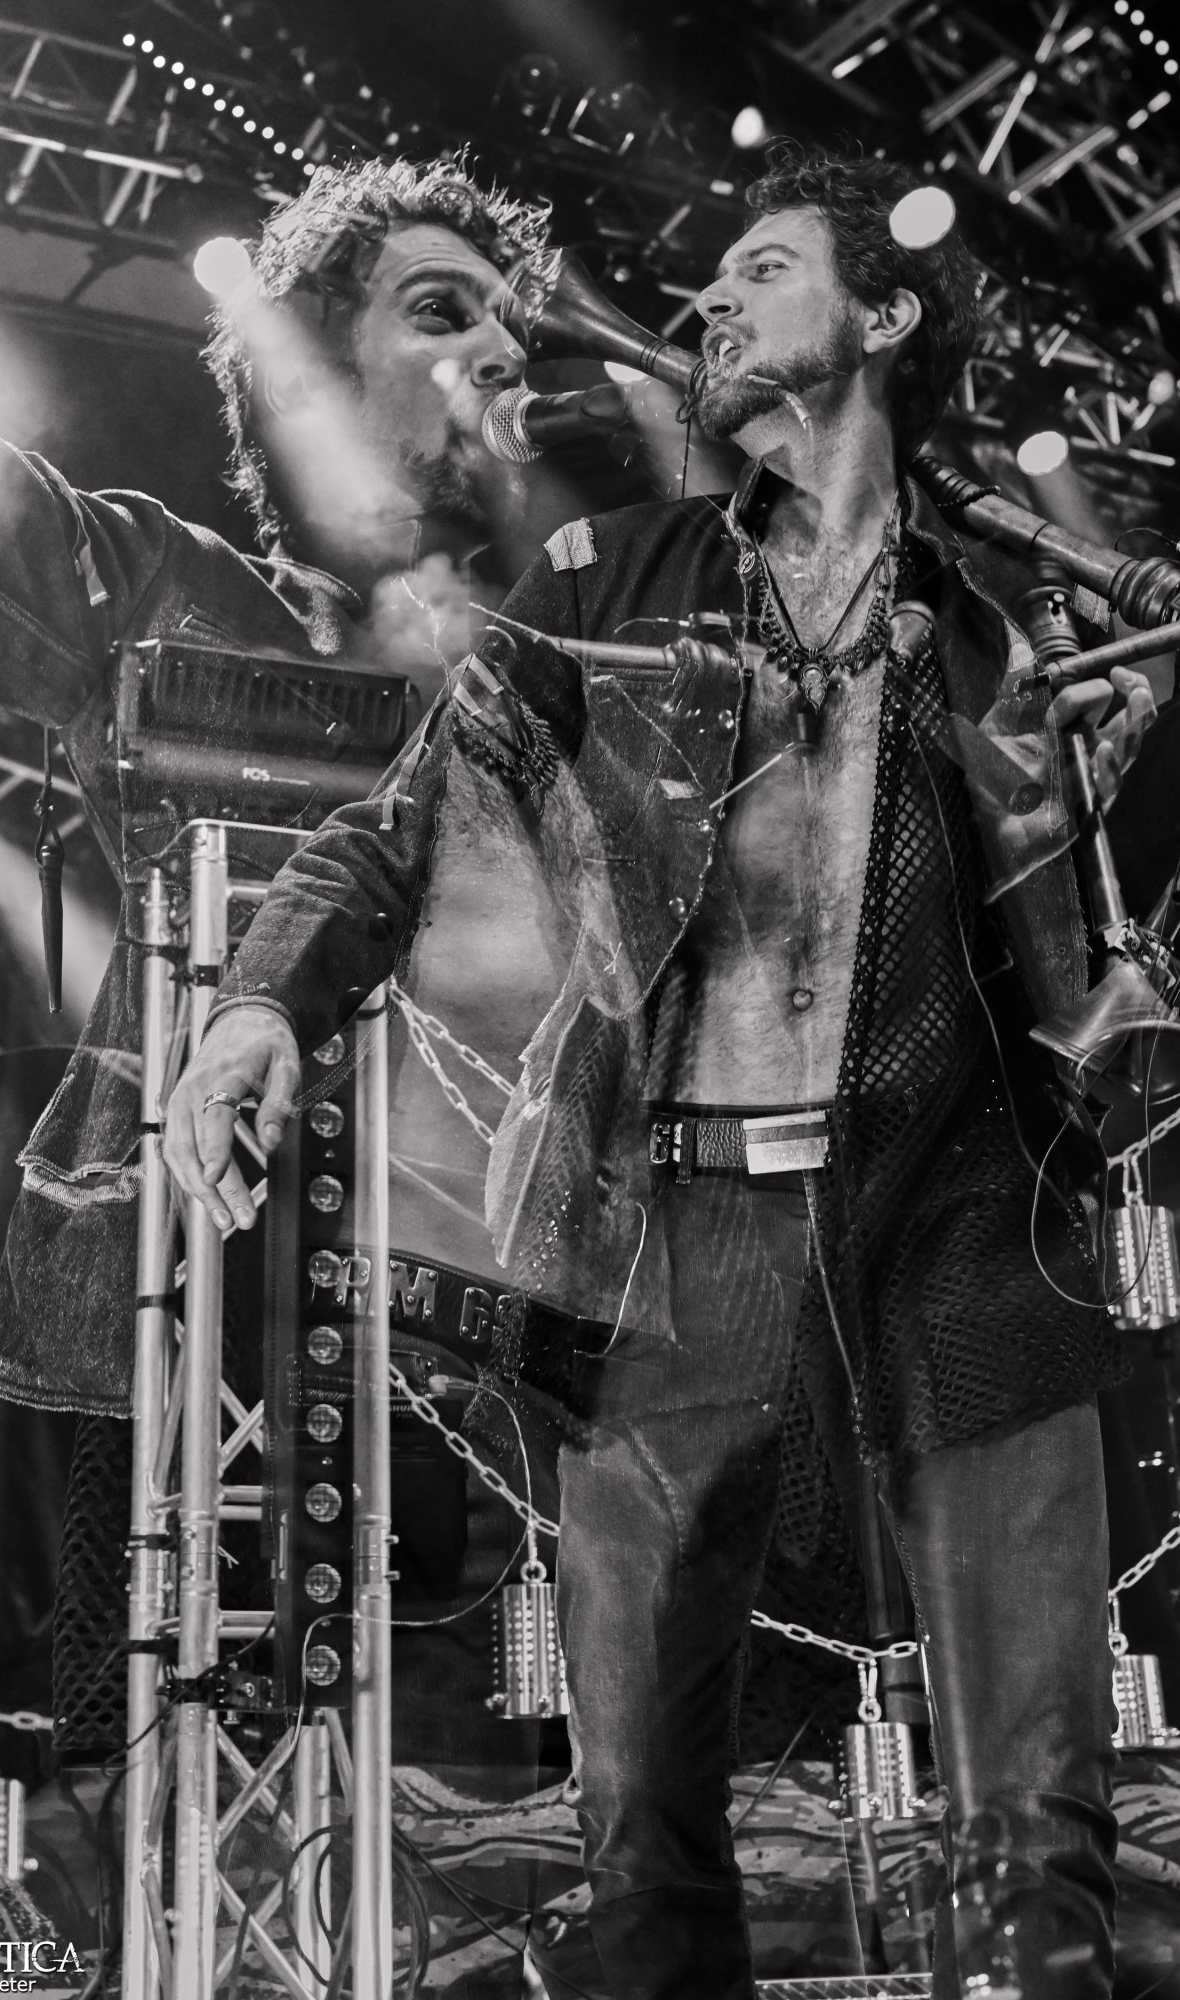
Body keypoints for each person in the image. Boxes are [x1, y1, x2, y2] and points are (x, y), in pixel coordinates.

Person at [165, 146, 1155, 1998]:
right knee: (640, 1848)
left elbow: (1104, 966)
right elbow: (397, 827)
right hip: (672, 1237)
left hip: (964, 1218)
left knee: (1036, 1841)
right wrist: (256, 1008)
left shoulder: (1014, 612)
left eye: (761, 266)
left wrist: (1093, 820)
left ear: (881, 314)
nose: (707, 298)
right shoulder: (609, 577)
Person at [0, 153, 546, 1416]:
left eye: (511, 326)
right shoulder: (175, 592)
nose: (501, 353)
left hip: (544, 1349)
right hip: (232, 1345)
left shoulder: (589, 653)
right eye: (442, 313)